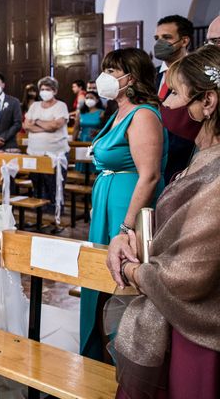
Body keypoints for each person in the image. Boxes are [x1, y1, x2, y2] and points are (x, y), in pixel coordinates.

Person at [106, 46, 220, 399]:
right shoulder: (205, 151)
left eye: (174, 93)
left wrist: (132, 272)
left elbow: (187, 274)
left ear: (208, 102)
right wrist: (132, 236)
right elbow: (183, 222)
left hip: (197, 333)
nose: (165, 105)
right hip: (177, 319)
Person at [80, 47, 167, 361]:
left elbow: (149, 175)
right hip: (108, 202)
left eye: (113, 71)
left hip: (127, 208)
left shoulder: (142, 114)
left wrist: (126, 226)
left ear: (132, 77)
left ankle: (127, 360)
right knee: (100, 280)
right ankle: (99, 355)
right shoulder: (117, 112)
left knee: (123, 283)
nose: (105, 77)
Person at [154, 15, 195, 183]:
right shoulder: (152, 75)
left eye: (167, 37)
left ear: (184, 41)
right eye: (157, 38)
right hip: (153, 154)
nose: (159, 43)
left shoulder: (196, 74)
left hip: (184, 158)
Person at [23, 76, 69, 223]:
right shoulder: (35, 106)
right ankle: (39, 212)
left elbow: (55, 126)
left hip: (55, 153)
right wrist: (45, 125)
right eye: (42, 89)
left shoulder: (61, 106)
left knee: (53, 184)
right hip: (34, 152)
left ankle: (54, 212)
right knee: (37, 182)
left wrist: (36, 121)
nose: (44, 92)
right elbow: (26, 126)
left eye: (47, 89)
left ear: (54, 91)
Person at [72, 91, 104, 174]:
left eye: (91, 98)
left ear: (97, 100)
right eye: (87, 98)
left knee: (94, 162)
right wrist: (72, 141)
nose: (89, 100)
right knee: (82, 160)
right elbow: (76, 128)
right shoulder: (81, 113)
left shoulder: (101, 112)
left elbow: (105, 128)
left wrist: (99, 132)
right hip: (83, 139)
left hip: (96, 139)